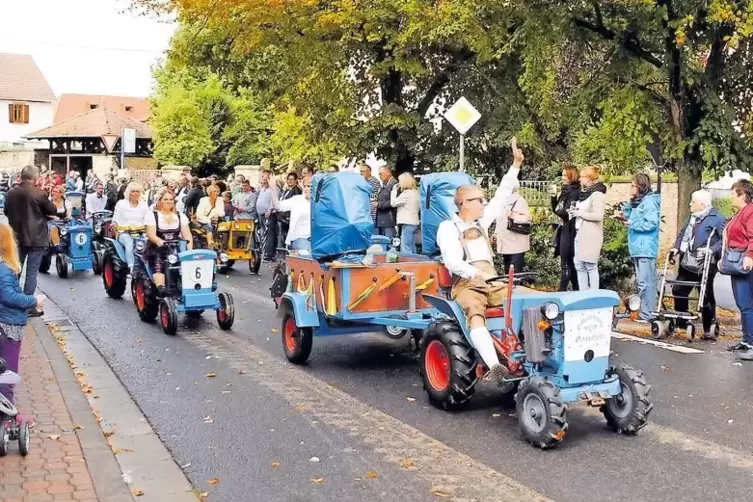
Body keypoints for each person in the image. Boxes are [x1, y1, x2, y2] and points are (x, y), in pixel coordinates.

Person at [436, 138, 525, 385]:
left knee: (525, 303)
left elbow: (501, 195)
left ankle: (524, 355)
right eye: (479, 200)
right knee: (475, 313)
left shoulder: (481, 224)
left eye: (484, 200)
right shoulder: (448, 228)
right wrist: (474, 274)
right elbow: (452, 262)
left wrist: (516, 165)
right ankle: (494, 366)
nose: (484, 204)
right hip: (467, 283)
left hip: (493, 280)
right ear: (464, 203)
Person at [669, 190, 725, 339]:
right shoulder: (692, 217)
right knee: (678, 289)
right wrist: (676, 247)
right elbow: (682, 234)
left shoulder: (717, 218)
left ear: (702, 204)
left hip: (706, 263)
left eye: (693, 202)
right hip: (688, 261)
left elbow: (724, 239)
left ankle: (709, 327)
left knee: (705, 295)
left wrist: (711, 249)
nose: (690, 204)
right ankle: (682, 322)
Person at [0, 224, 45, 405]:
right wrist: (34, 301)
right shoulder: (3, 269)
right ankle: (6, 417)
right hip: (7, 325)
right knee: (7, 373)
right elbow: (9, 296)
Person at [4, 165, 57, 315]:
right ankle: (28, 307)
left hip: (17, 237)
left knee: (15, 270)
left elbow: (7, 212)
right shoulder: (38, 193)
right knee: (32, 273)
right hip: (36, 238)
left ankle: (12, 302)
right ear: (34, 178)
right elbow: (52, 209)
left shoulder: (10, 193)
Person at [616, 173, 661, 321]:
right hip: (637, 247)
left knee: (646, 282)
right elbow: (630, 217)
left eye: (632, 185)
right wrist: (628, 207)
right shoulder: (639, 202)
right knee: (642, 282)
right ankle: (645, 312)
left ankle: (647, 314)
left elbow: (651, 223)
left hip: (646, 248)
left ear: (640, 186)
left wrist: (633, 224)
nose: (630, 188)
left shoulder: (649, 202)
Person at [723, 180, 753, 360]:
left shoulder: (749, 212)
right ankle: (746, 339)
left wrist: (750, 255)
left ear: (742, 195)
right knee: (743, 304)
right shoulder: (740, 213)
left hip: (744, 261)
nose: (731, 197)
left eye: (733, 193)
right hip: (737, 261)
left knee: (747, 304)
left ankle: (751, 343)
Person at [144, 189, 193, 294]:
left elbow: (187, 234)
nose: (169, 201)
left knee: (186, 262)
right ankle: (161, 288)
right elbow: (151, 234)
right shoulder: (153, 215)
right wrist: (158, 241)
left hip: (176, 246)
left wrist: (189, 250)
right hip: (158, 246)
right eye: (165, 199)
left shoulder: (180, 216)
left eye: (171, 199)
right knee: (159, 261)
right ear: (160, 201)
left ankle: (187, 285)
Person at [570, 166, 606, 290]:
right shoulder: (586, 194)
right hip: (580, 232)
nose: (579, 179)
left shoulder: (597, 194)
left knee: (590, 265)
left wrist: (579, 213)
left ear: (588, 178)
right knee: (579, 264)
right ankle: (583, 293)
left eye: (582, 177)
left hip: (591, 235)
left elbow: (598, 215)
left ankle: (593, 295)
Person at [551, 166, 581, 291]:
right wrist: (553, 197)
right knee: (569, 264)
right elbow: (557, 209)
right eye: (562, 175)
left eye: (565, 175)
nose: (562, 178)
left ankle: (561, 290)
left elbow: (565, 212)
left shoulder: (575, 192)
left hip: (570, 230)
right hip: (563, 228)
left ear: (571, 176)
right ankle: (576, 289)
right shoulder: (565, 191)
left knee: (567, 264)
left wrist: (559, 211)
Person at [495, 181, 531, 273]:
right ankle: (510, 287)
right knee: (508, 271)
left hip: (517, 243)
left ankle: (516, 287)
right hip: (505, 242)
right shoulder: (501, 201)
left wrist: (512, 215)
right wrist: (496, 233)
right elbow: (499, 220)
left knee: (515, 272)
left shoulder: (519, 200)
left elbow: (527, 219)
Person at [112, 182, 149, 271]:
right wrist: (114, 224)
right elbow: (115, 219)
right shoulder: (121, 204)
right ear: (128, 192)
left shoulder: (144, 204)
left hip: (141, 232)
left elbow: (148, 219)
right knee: (129, 242)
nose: (135, 193)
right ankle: (131, 267)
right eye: (133, 191)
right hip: (124, 232)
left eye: (137, 191)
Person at [269, 174, 312, 251]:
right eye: (305, 186)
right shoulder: (297, 199)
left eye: (309, 186)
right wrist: (272, 189)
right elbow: (278, 206)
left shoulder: (321, 202)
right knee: (306, 257)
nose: (306, 189)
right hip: (299, 237)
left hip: (317, 239)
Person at [390, 172, 420, 253]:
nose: (399, 183)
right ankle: (415, 263)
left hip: (407, 222)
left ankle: (408, 264)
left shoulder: (406, 194)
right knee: (412, 247)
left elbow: (393, 203)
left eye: (400, 181)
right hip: (414, 222)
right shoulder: (416, 192)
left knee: (406, 248)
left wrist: (394, 191)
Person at [256, 170, 280, 260]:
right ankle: (264, 251)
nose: (264, 180)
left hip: (269, 215)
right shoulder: (263, 189)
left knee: (269, 234)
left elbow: (274, 201)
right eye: (263, 178)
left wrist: (269, 210)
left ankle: (269, 254)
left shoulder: (274, 188)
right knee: (264, 233)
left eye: (267, 178)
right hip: (261, 214)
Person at [278, 173, 302, 246]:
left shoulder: (296, 191)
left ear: (296, 180)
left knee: (286, 237)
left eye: (292, 179)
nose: (290, 181)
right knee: (281, 236)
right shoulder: (286, 190)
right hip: (281, 217)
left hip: (288, 218)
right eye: (288, 179)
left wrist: (288, 217)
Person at [375, 165, 398, 237]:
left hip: (390, 219)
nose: (379, 176)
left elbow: (394, 202)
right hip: (383, 219)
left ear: (388, 173)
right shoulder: (385, 184)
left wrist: (379, 204)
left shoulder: (395, 184)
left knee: (390, 242)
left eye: (380, 174)